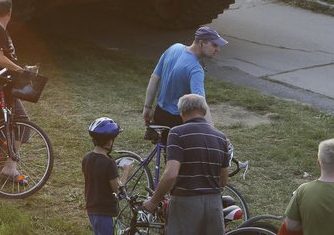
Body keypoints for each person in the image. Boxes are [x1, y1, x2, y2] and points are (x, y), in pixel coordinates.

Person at [142, 94, 229, 234]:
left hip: (186, 203)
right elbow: (223, 180)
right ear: (204, 111)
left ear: (181, 113)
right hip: (214, 205)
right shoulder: (221, 137)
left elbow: (171, 174)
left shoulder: (177, 133)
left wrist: (153, 201)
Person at [0, 0, 35, 184]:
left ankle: (6, 170)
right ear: (9, 12)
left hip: (0, 86)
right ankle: (9, 168)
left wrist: (21, 69)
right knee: (21, 122)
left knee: (5, 129)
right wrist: (21, 70)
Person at [143, 26, 226, 135]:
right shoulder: (196, 69)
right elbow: (201, 104)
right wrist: (212, 132)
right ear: (201, 43)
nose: (218, 50)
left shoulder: (175, 47)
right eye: (214, 45)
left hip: (159, 112)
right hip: (178, 120)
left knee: (165, 148)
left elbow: (154, 78)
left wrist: (147, 107)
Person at [83, 117, 123, 235]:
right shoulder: (109, 163)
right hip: (106, 213)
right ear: (109, 141)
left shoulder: (86, 158)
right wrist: (126, 171)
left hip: (92, 211)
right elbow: (119, 192)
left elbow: (98, 175)